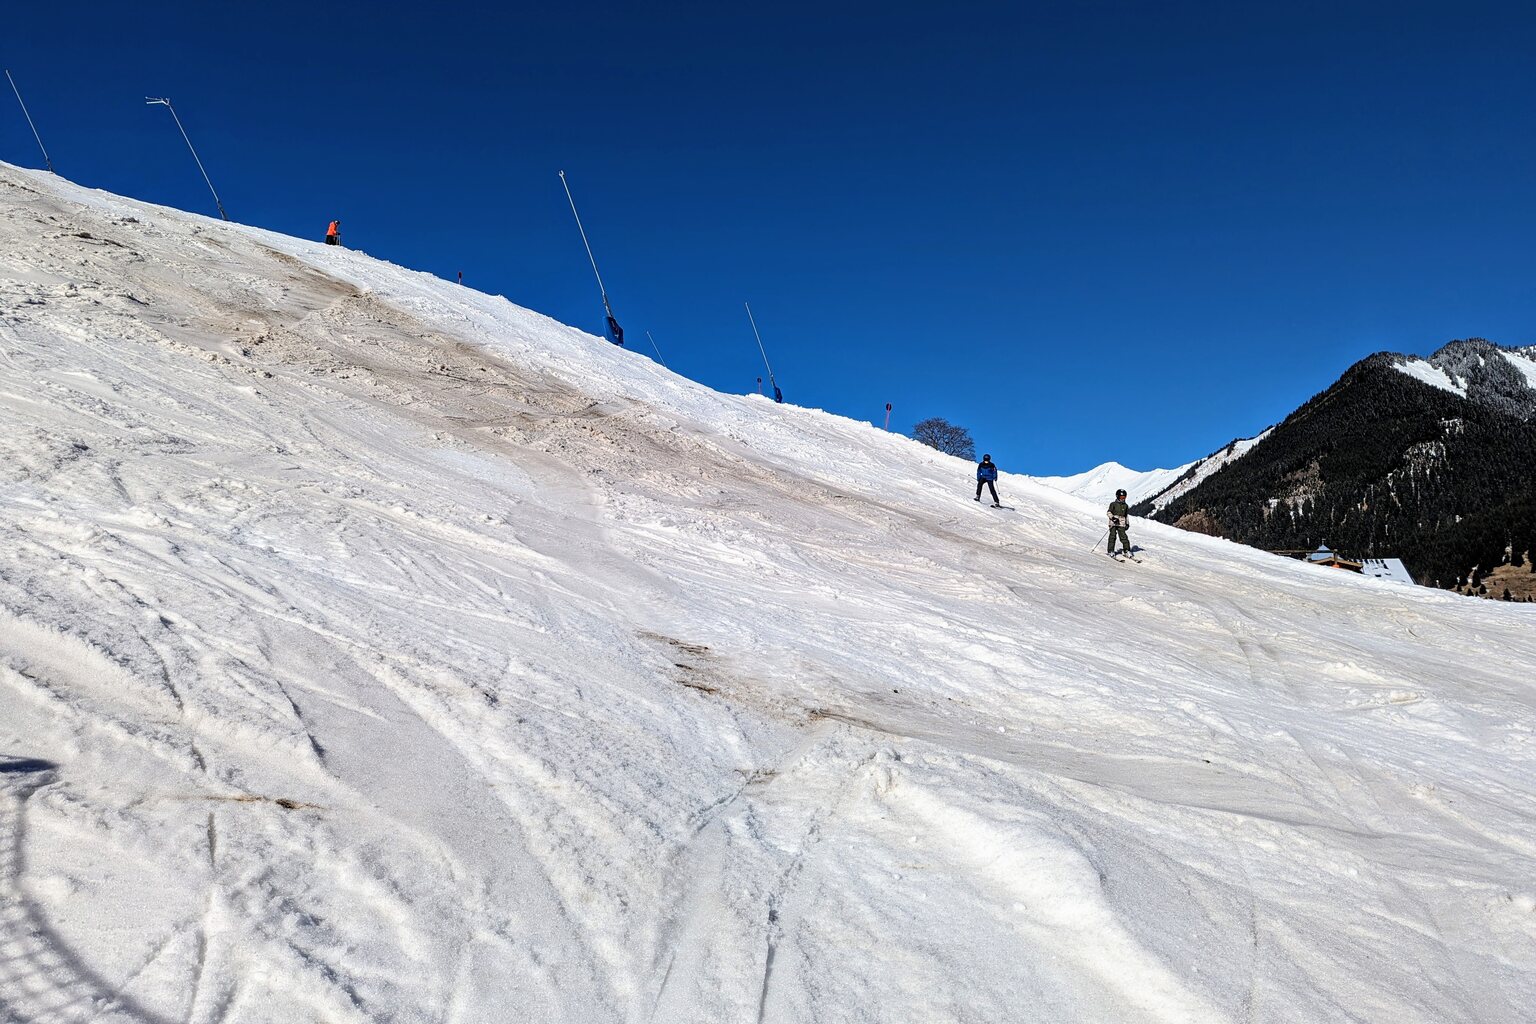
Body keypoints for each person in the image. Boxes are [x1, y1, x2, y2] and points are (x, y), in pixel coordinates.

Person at [1107, 489, 1132, 557]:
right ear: (1117, 496)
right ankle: (1111, 551)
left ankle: (1126, 550)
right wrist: (1113, 518)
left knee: (1123, 537)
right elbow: (1109, 512)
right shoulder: (1113, 504)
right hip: (1113, 522)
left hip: (1121, 522)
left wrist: (1127, 523)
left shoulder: (1125, 505)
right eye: (1121, 497)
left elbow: (1126, 516)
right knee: (1112, 536)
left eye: (1124, 497)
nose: (1123, 499)